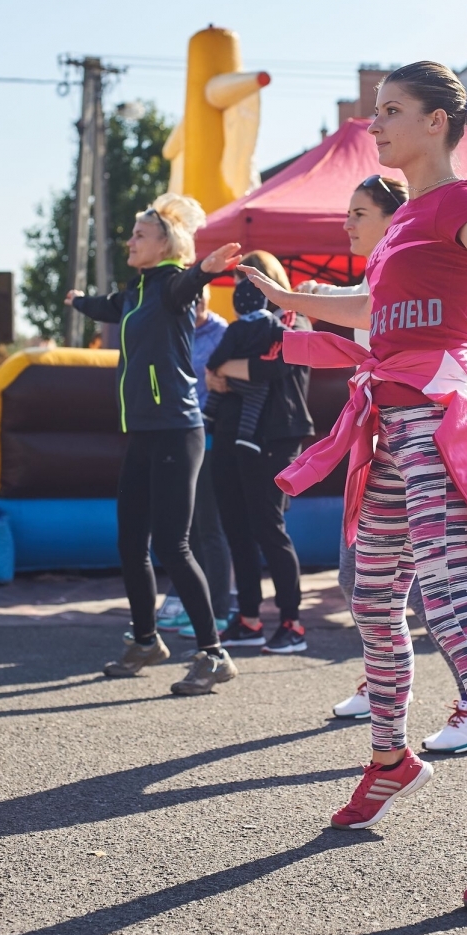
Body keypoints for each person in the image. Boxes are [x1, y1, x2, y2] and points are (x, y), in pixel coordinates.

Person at [243, 62, 467, 907]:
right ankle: (391, 758)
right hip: (390, 430)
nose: (375, 124)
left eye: (390, 111)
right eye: (375, 111)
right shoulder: (402, 225)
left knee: (454, 612)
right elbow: (371, 310)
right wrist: (288, 296)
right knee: (372, 599)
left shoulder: (462, 202)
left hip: (439, 427)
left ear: (437, 122)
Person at [300, 175, 467, 754]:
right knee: (361, 583)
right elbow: (358, 303)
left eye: (359, 212)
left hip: (432, 435)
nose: (347, 224)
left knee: (441, 599)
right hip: (381, 443)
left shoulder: (421, 263)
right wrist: (295, 299)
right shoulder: (377, 278)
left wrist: (302, 300)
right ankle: (384, 704)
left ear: (394, 219)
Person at [66, 193, 242, 697]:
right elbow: (106, 306)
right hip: (143, 433)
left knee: (172, 544)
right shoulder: (135, 292)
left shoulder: (169, 286)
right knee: (130, 542)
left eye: (140, 235)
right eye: (132, 234)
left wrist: (204, 270)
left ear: (165, 244)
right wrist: (78, 301)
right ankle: (145, 641)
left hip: (176, 430)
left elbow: (187, 283)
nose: (131, 241)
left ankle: (213, 654)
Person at [206, 250, 314, 655]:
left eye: (250, 285)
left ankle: (292, 622)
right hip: (231, 435)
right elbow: (218, 370)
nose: (243, 296)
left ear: (270, 283)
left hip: (275, 437)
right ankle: (249, 618)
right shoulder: (241, 328)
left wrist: (223, 369)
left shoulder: (294, 319)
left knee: (269, 528)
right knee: (236, 528)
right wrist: (220, 371)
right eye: (239, 287)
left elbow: (273, 366)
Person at [157, 286, 237, 637]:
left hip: (210, 437)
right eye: (191, 296)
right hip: (178, 436)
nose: (196, 302)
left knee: (210, 527)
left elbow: (229, 383)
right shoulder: (176, 330)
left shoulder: (223, 333)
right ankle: (195, 607)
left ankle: (219, 611)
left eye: (200, 294)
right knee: (185, 528)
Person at [203, 278, 286, 454]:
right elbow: (287, 336)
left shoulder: (235, 328)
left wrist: (211, 367)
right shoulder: (270, 322)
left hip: (233, 379)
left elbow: (222, 352)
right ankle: (245, 436)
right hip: (255, 382)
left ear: (236, 306)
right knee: (254, 404)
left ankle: (209, 411)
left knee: (220, 380)